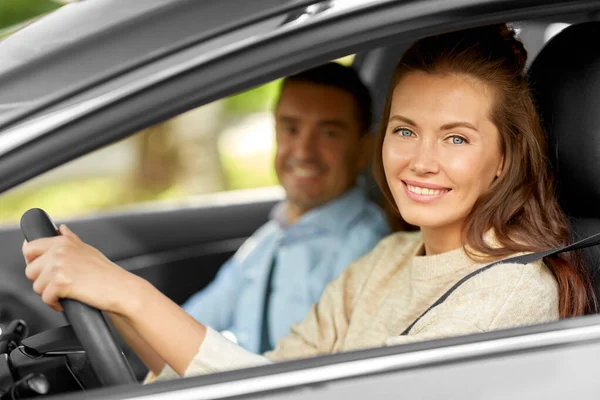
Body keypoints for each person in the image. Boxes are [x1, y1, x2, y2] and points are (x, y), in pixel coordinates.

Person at [22, 24, 596, 382]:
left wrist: (128, 291)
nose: (421, 160)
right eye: (404, 130)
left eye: (455, 138)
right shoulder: (386, 260)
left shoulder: (510, 297)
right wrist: (113, 298)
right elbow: (275, 378)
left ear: (505, 158)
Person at [182, 63, 390, 353]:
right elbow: (189, 325)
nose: (303, 151)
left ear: (363, 151)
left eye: (329, 133)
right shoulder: (268, 239)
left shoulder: (367, 250)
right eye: (291, 128)